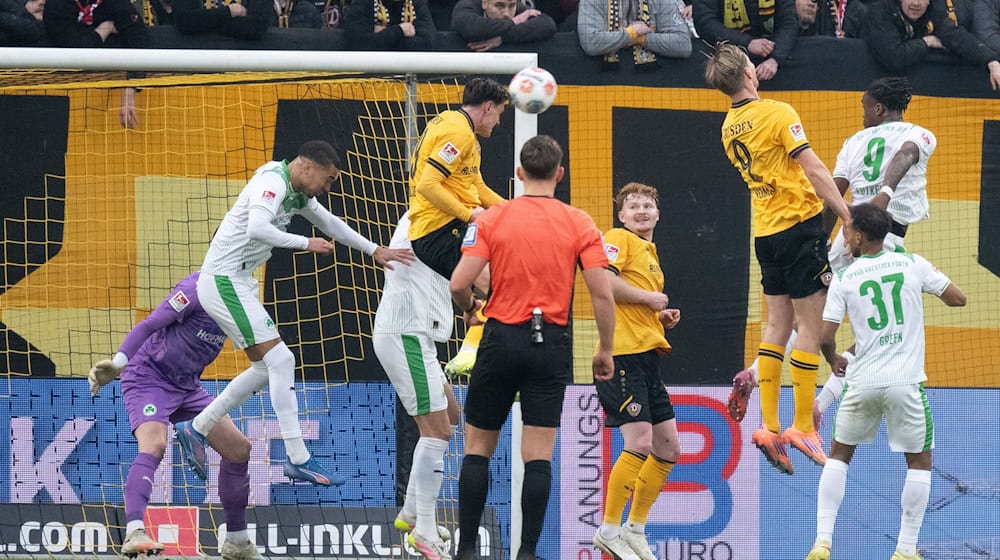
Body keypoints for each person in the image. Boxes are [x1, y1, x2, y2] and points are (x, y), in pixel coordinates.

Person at [173, 140, 415, 486]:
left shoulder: (297, 192)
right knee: (282, 362)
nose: (328, 188)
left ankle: (197, 427)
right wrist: (306, 243)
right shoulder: (272, 182)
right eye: (328, 179)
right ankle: (298, 458)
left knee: (265, 368)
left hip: (239, 281)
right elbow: (257, 228)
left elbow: (331, 223)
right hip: (224, 281)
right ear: (306, 167)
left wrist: (374, 249)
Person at [449, 135, 617, 560]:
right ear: (560, 174)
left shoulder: (493, 218)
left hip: (501, 337)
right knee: (537, 455)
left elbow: (458, 282)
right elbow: (602, 293)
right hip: (551, 343)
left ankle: (466, 550)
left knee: (477, 449)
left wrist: (471, 308)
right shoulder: (580, 222)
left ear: (519, 174)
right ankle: (527, 553)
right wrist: (605, 349)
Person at [704, 43, 852, 475]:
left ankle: (769, 427)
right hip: (800, 228)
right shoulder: (777, 112)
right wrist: (845, 215)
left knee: (776, 328)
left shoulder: (729, 126)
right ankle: (803, 425)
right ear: (749, 73)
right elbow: (814, 169)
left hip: (766, 234)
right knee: (810, 326)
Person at [804, 203, 966, 560]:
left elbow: (826, 337)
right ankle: (906, 550)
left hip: (861, 381)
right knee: (919, 462)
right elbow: (959, 299)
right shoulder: (912, 263)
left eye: (846, 231)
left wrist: (834, 361)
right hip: (905, 382)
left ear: (859, 236)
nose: (844, 237)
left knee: (839, 457)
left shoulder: (846, 277)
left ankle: (822, 542)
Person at [87, 272, 261, 560]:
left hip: (188, 386)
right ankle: (134, 532)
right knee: (154, 444)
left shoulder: (241, 298)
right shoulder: (195, 288)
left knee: (239, 449)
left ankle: (237, 542)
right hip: (148, 377)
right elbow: (150, 324)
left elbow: (260, 350)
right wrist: (118, 363)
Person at [813, 77, 937, 426]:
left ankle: (760, 370)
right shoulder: (921, 133)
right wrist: (885, 191)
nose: (863, 114)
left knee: (813, 305)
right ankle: (821, 404)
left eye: (865, 107)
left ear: (879, 108)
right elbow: (906, 154)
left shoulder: (852, 142)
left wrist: (819, 242)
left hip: (846, 234)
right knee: (878, 329)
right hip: (885, 238)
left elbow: (834, 193)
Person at [591, 182, 682, 560]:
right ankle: (609, 530)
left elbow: (634, 299)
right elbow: (604, 282)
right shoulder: (617, 238)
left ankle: (634, 528)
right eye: (633, 206)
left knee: (668, 447)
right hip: (623, 356)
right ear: (621, 216)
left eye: (648, 205)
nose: (642, 210)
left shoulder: (649, 253)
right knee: (640, 443)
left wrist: (657, 314)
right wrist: (648, 298)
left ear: (658, 214)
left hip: (647, 356)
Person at [406, 77, 509, 376]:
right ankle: (475, 356)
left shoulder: (457, 125)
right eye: (500, 113)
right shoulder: (459, 133)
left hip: (442, 228)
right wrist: (469, 215)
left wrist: (515, 211)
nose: (499, 122)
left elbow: (476, 187)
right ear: (488, 107)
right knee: (499, 284)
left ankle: (475, 341)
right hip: (438, 229)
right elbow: (427, 185)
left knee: (496, 282)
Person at [372, 211, 459, 560]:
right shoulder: (428, 214)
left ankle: (410, 511)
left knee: (451, 415)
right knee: (436, 431)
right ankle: (423, 528)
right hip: (406, 331)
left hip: (420, 336)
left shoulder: (443, 215)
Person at [43, 0, 148, 129]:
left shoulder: (116, 4)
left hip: (102, 100)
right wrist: (105, 29)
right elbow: (75, 50)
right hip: (56, 90)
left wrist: (130, 87)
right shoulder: (57, 5)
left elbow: (140, 42)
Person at [863, 0, 1000, 91]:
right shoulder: (879, 12)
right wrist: (926, 43)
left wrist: (991, 61)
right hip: (868, 88)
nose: (916, 3)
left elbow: (957, 37)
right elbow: (893, 58)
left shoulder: (933, 11)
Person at [693, 0, 798, 80]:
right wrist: (747, 43)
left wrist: (776, 59)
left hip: (772, 68)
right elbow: (705, 23)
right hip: (726, 69)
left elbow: (789, 21)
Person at [577, 0, 692, 69]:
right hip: (602, 83)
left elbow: (683, 44)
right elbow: (590, 42)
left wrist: (642, 38)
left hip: (651, 84)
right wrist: (631, 33)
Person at [451, 0, 556, 52]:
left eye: (511, 6)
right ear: (484, 3)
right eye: (499, 5)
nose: (506, 13)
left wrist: (502, 38)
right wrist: (514, 21)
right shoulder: (466, 6)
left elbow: (547, 24)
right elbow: (471, 28)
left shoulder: (513, 5)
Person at [343, 0, 437, 50]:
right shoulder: (363, 3)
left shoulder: (417, 5)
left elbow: (428, 44)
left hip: (409, 73)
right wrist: (400, 31)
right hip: (369, 75)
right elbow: (358, 43)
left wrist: (380, 36)